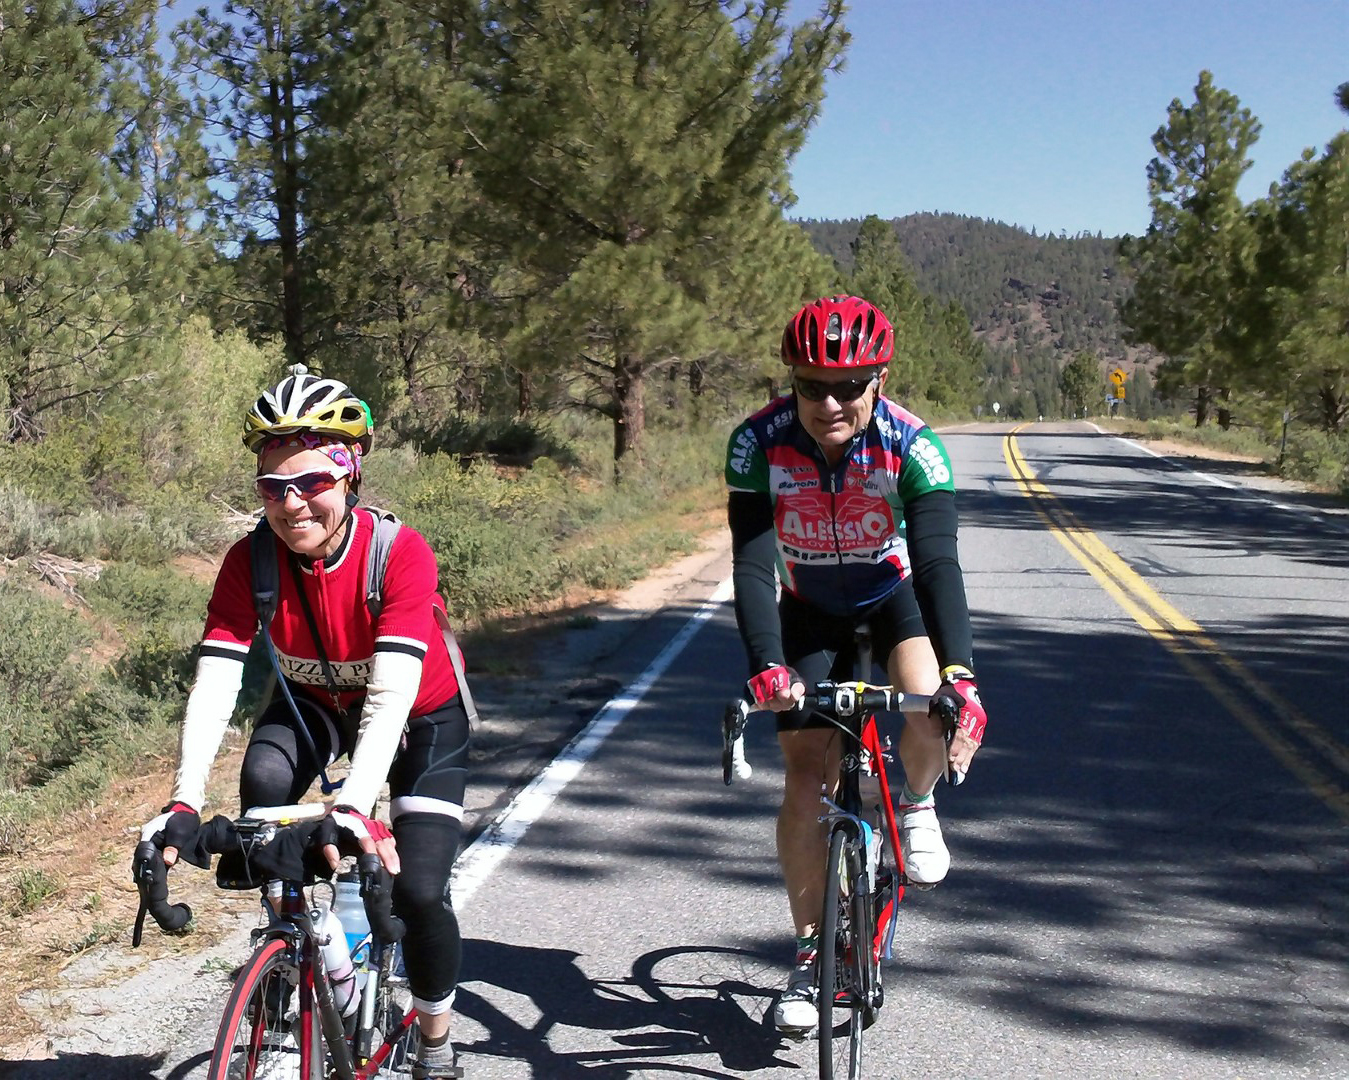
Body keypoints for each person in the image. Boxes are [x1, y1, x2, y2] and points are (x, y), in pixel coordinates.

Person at [140, 367, 470, 1079]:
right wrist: (183, 801)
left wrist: (353, 806)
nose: (291, 505)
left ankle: (437, 1041)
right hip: (312, 708)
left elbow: (388, 697)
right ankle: (298, 945)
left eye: (312, 482)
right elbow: (217, 682)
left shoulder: (398, 552)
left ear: (350, 474)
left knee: (415, 889)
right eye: (271, 486)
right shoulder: (248, 560)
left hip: (417, 719)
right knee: (262, 785)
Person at [724, 295, 988, 1034]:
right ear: (791, 383)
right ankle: (809, 957)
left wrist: (961, 674)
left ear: (878, 379)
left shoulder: (912, 445)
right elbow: (749, 566)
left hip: (888, 600)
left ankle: (918, 803)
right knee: (805, 781)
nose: (829, 402)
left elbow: (937, 563)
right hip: (805, 608)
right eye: (810, 385)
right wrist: (766, 666)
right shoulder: (757, 443)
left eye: (848, 386)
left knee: (928, 699)